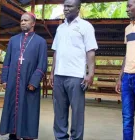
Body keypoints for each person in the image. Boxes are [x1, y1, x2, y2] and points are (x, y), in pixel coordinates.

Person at [50, 0, 98, 139]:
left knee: (77, 112)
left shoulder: (86, 26)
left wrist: (90, 73)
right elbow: (56, 52)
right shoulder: (60, 28)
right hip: (59, 75)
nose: (66, 9)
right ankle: (60, 137)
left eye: (69, 6)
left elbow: (90, 51)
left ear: (78, 9)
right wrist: (52, 72)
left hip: (76, 77)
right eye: (65, 6)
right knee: (59, 112)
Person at [0, 12, 48, 140]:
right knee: (12, 108)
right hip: (13, 82)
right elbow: (7, 61)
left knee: (28, 110)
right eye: (21, 20)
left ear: (33, 23)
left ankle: (27, 136)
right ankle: (13, 134)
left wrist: (34, 82)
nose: (23, 23)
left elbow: (42, 64)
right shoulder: (13, 40)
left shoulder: (40, 42)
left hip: (29, 83)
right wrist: (4, 78)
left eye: (26, 20)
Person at [115, 0, 135, 139]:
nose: (127, 9)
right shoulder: (127, 29)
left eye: (129, 6)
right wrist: (120, 77)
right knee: (127, 118)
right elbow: (127, 54)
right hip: (127, 78)